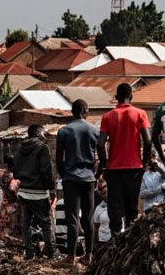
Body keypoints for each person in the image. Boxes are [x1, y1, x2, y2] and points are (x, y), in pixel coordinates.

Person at [99, 83, 151, 235]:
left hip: (114, 170)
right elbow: (148, 141)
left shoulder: (107, 116)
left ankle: (115, 239)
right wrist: (144, 163)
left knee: (115, 208)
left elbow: (100, 143)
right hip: (134, 168)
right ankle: (129, 239)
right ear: (131, 97)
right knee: (131, 208)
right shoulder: (140, 114)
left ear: (116, 98)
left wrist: (104, 166)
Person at [55, 98, 100, 261]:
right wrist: (97, 175)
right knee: (88, 217)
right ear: (85, 111)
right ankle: (88, 254)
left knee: (72, 218)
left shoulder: (63, 131)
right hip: (88, 178)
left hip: (70, 178)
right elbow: (103, 156)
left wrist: (64, 175)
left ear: (72, 112)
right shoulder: (94, 130)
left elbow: (59, 159)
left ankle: (71, 256)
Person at [11, 125, 56, 259]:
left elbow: (16, 172)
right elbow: (46, 171)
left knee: (26, 223)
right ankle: (52, 252)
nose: (45, 136)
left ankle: (29, 253)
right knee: (46, 223)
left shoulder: (20, 149)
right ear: (37, 133)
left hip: (23, 192)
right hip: (39, 193)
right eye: (43, 133)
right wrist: (50, 187)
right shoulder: (42, 148)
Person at [91, 186, 112, 253]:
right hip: (103, 240)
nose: (106, 195)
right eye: (103, 193)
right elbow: (96, 226)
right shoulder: (98, 208)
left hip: (116, 239)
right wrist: (94, 241)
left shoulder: (118, 206)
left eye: (107, 192)